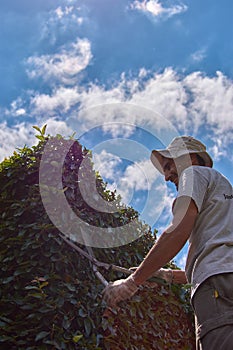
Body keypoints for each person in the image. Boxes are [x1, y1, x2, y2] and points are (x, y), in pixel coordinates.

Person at [103, 136, 233, 350]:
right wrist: (167, 275)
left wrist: (132, 282)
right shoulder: (224, 192)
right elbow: (219, 259)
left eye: (169, 164)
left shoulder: (193, 173)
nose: (166, 176)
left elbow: (178, 231)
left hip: (216, 287)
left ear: (190, 159)